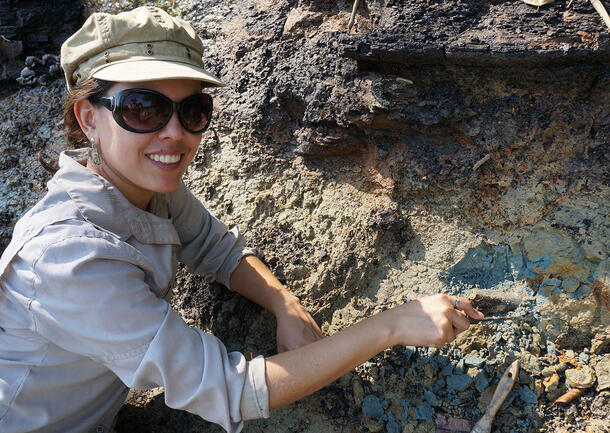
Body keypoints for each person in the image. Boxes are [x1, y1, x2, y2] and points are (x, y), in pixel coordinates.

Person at [0, 6, 484, 433]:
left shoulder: (140, 187)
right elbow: (230, 392)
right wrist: (388, 327)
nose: (175, 133)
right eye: (143, 108)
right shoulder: (70, 259)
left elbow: (216, 248)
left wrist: (285, 304)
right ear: (88, 118)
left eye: (193, 109)